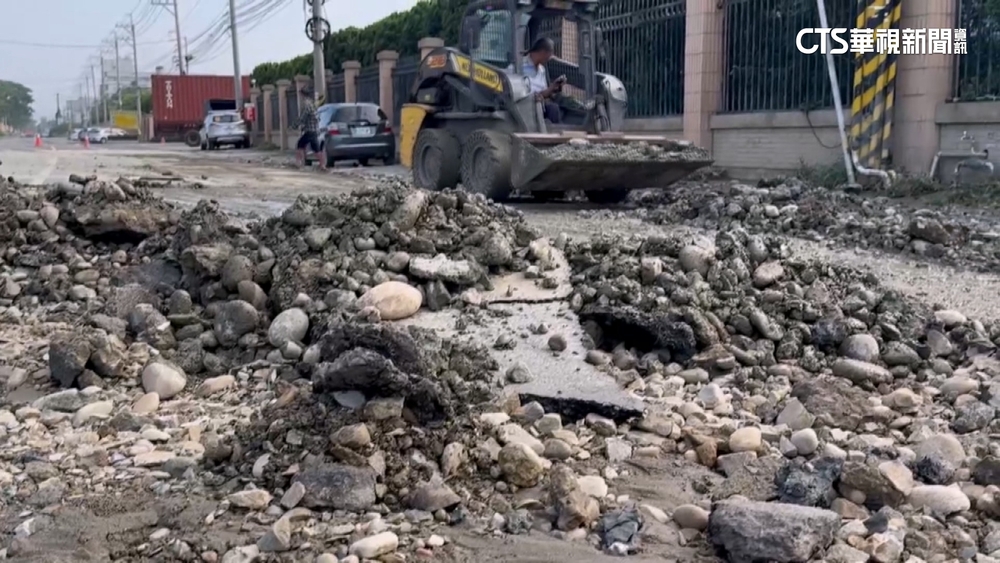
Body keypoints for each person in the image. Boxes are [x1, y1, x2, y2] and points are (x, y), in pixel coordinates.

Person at [522, 37, 566, 124]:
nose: (549, 59)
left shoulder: (542, 69)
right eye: (549, 55)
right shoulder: (520, 66)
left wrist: (554, 88)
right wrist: (551, 88)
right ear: (542, 52)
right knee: (553, 108)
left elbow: (543, 93)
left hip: (540, 103)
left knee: (557, 105)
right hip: (525, 104)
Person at [295, 89, 324, 170]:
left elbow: (304, 116)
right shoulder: (312, 103)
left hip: (310, 130)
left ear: (302, 95)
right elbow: (315, 116)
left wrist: (295, 125)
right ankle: (322, 165)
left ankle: (299, 163)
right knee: (315, 148)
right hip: (314, 129)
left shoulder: (307, 104)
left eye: (300, 95)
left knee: (300, 144)